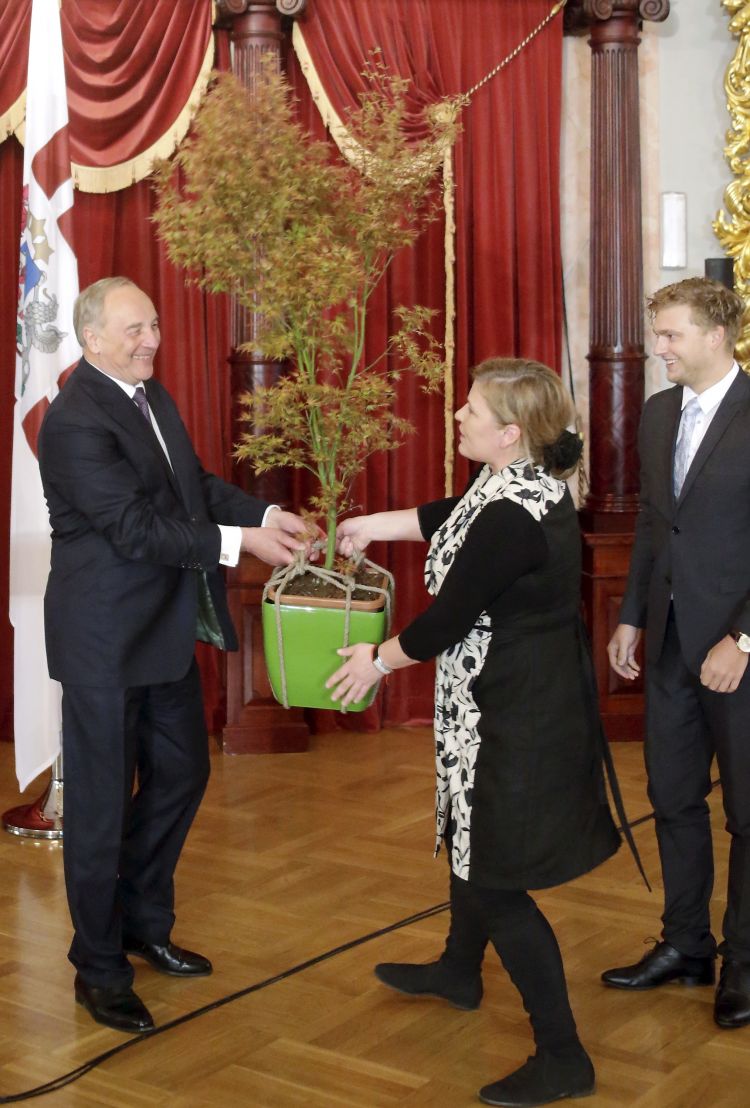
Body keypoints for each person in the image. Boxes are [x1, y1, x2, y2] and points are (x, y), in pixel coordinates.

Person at [326, 357, 622, 1108]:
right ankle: (460, 971)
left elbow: (445, 621)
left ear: (511, 432)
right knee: (470, 834)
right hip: (495, 696)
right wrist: (372, 525)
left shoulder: (515, 515)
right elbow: (449, 515)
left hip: (519, 711)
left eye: (471, 411)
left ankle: (564, 1056)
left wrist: (375, 662)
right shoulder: (508, 483)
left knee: (495, 876)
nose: (458, 416)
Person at [38, 277, 311, 1034]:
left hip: (160, 632)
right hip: (101, 645)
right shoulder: (73, 420)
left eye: (154, 325)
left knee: (183, 775)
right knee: (98, 809)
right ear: (91, 339)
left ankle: (142, 923)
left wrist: (265, 513)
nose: (152, 340)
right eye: (134, 329)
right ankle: (98, 968)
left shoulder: (149, 397)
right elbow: (133, 529)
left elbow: (190, 489)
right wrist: (242, 542)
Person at [603, 277, 750, 1029]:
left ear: (716, 335)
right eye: (657, 333)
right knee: (673, 800)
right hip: (667, 646)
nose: (658, 348)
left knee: (747, 815)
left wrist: (744, 638)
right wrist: (632, 616)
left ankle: (744, 963)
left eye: (671, 335)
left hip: (740, 655)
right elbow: (655, 527)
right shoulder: (661, 413)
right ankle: (687, 945)